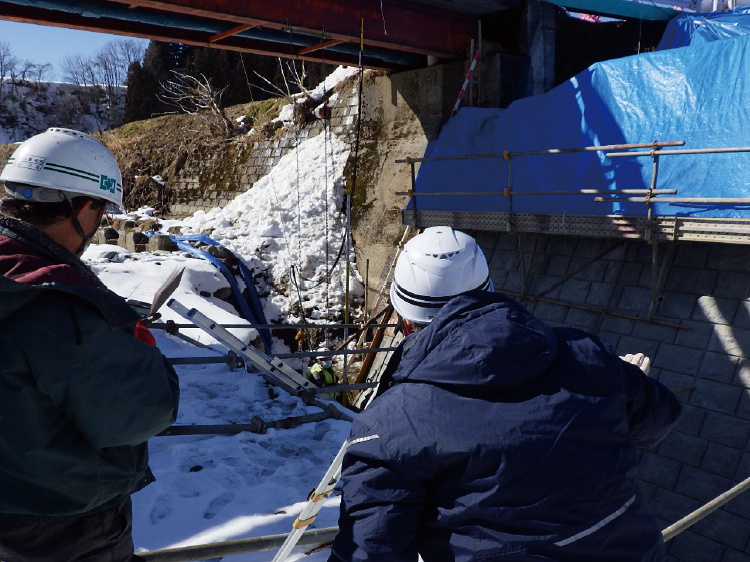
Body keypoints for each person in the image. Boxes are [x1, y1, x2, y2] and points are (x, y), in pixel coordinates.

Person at [328, 226, 682, 562]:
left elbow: (370, 549)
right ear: (490, 290)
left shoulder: (391, 422)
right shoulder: (587, 353)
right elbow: (660, 418)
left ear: (404, 321)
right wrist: (609, 385)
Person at [0, 128, 180, 562]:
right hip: (63, 525)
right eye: (99, 211)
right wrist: (137, 347)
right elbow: (141, 412)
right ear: (82, 207)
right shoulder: (58, 305)